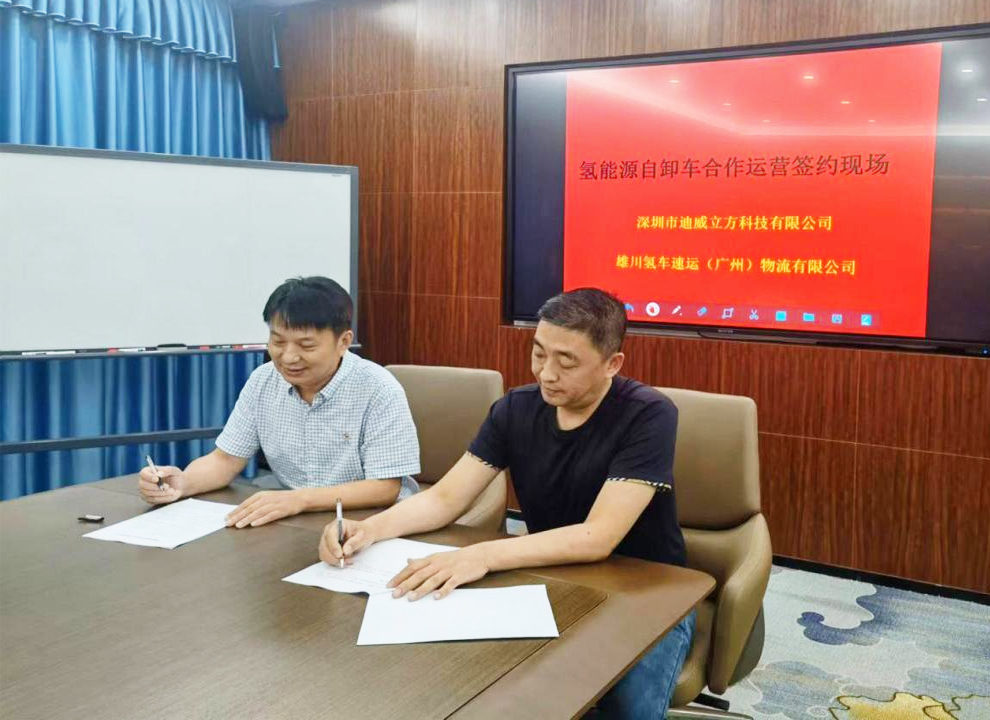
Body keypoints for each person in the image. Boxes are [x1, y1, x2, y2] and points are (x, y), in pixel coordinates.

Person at [318, 287, 692, 720]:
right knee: (498, 688)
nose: (546, 373)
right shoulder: (516, 409)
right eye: (539, 353)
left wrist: (482, 555)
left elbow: (598, 536)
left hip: (648, 589)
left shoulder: (648, 414)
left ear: (612, 364)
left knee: (626, 705)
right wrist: (370, 529)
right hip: (553, 576)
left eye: (566, 362)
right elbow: (445, 498)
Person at [137, 276, 420, 528]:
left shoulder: (377, 389)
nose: (288, 357)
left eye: (306, 345)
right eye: (278, 342)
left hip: (373, 522)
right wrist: (183, 483)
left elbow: (385, 487)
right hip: (297, 521)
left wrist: (299, 500)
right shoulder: (263, 381)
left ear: (343, 342)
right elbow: (225, 460)